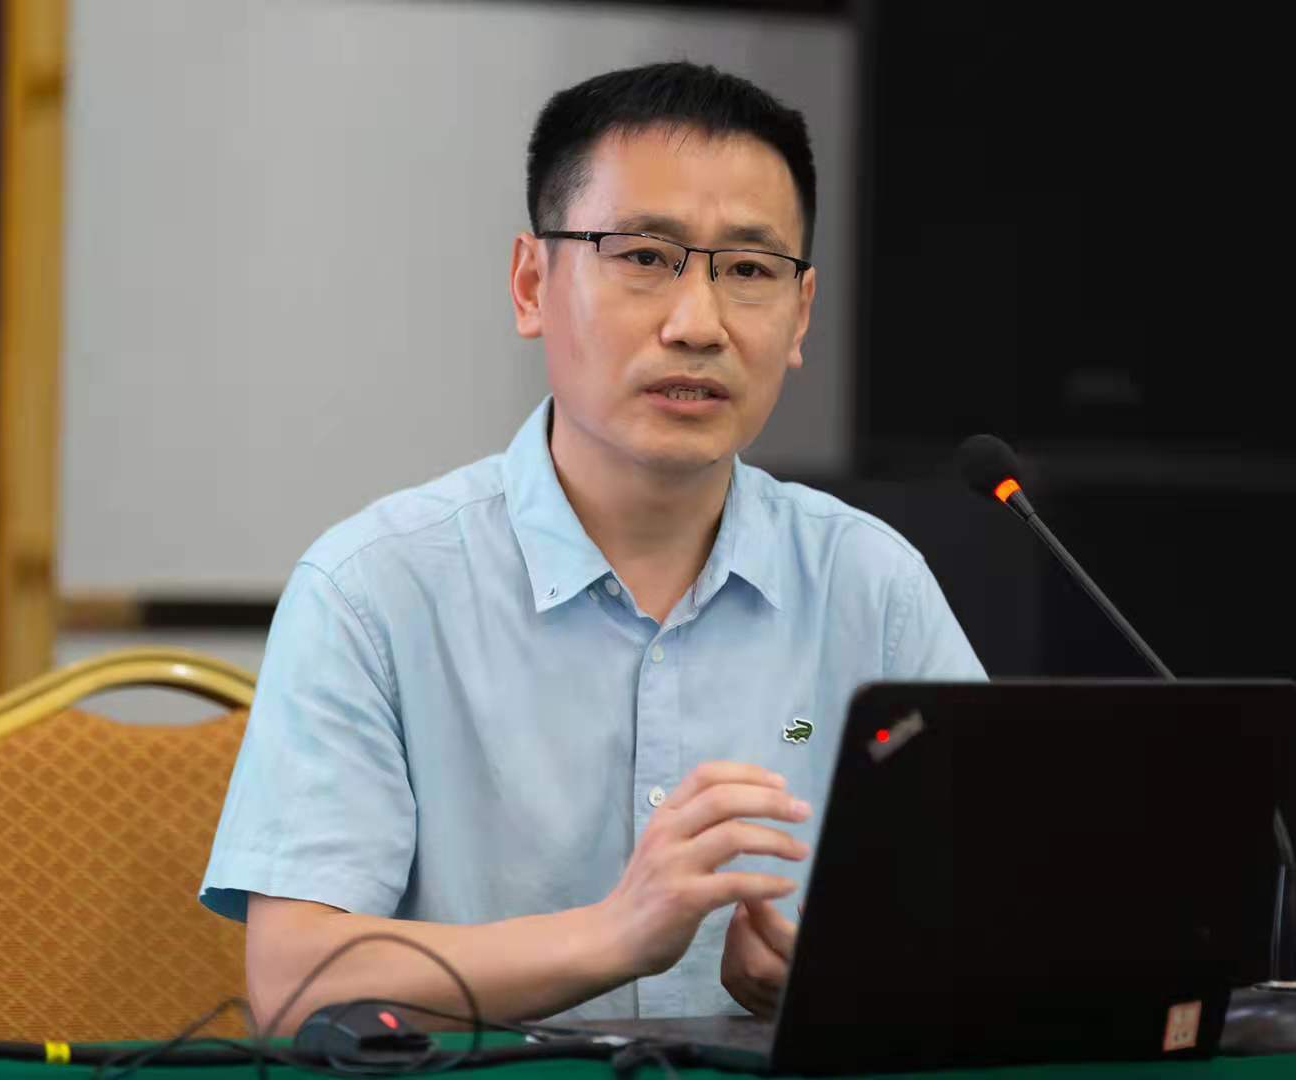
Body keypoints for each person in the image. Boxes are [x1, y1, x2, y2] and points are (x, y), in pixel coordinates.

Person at [200, 60, 984, 1034]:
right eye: (644, 256)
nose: (697, 325)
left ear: (800, 314)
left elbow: (1004, 918)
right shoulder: (373, 590)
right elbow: (297, 980)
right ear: (532, 285)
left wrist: (850, 976)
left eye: (748, 271)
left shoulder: (871, 585)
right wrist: (616, 934)